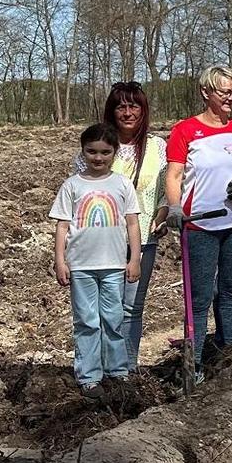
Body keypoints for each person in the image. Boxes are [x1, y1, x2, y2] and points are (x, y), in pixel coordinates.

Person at [162, 66, 232, 379]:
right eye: (224, 92)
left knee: (230, 293)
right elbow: (174, 174)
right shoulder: (185, 130)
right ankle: (195, 365)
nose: (231, 97)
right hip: (200, 225)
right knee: (199, 299)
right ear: (206, 93)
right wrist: (174, 207)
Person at [50, 123, 143, 390]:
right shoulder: (72, 185)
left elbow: (133, 224)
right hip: (81, 267)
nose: (98, 158)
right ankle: (89, 376)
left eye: (105, 152)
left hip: (114, 266)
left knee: (113, 319)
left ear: (115, 153)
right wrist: (60, 260)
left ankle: (117, 371)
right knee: (87, 321)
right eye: (91, 152)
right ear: (82, 152)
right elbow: (62, 226)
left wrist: (134, 258)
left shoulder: (122, 184)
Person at [83, 82, 167, 372]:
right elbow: (81, 190)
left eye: (134, 106)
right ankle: (99, 366)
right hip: (103, 241)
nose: (128, 112)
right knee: (102, 307)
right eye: (122, 106)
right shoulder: (101, 147)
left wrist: (164, 211)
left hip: (143, 239)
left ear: (143, 111)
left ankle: (126, 369)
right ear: (112, 110)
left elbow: (166, 187)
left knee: (131, 308)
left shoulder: (157, 147)